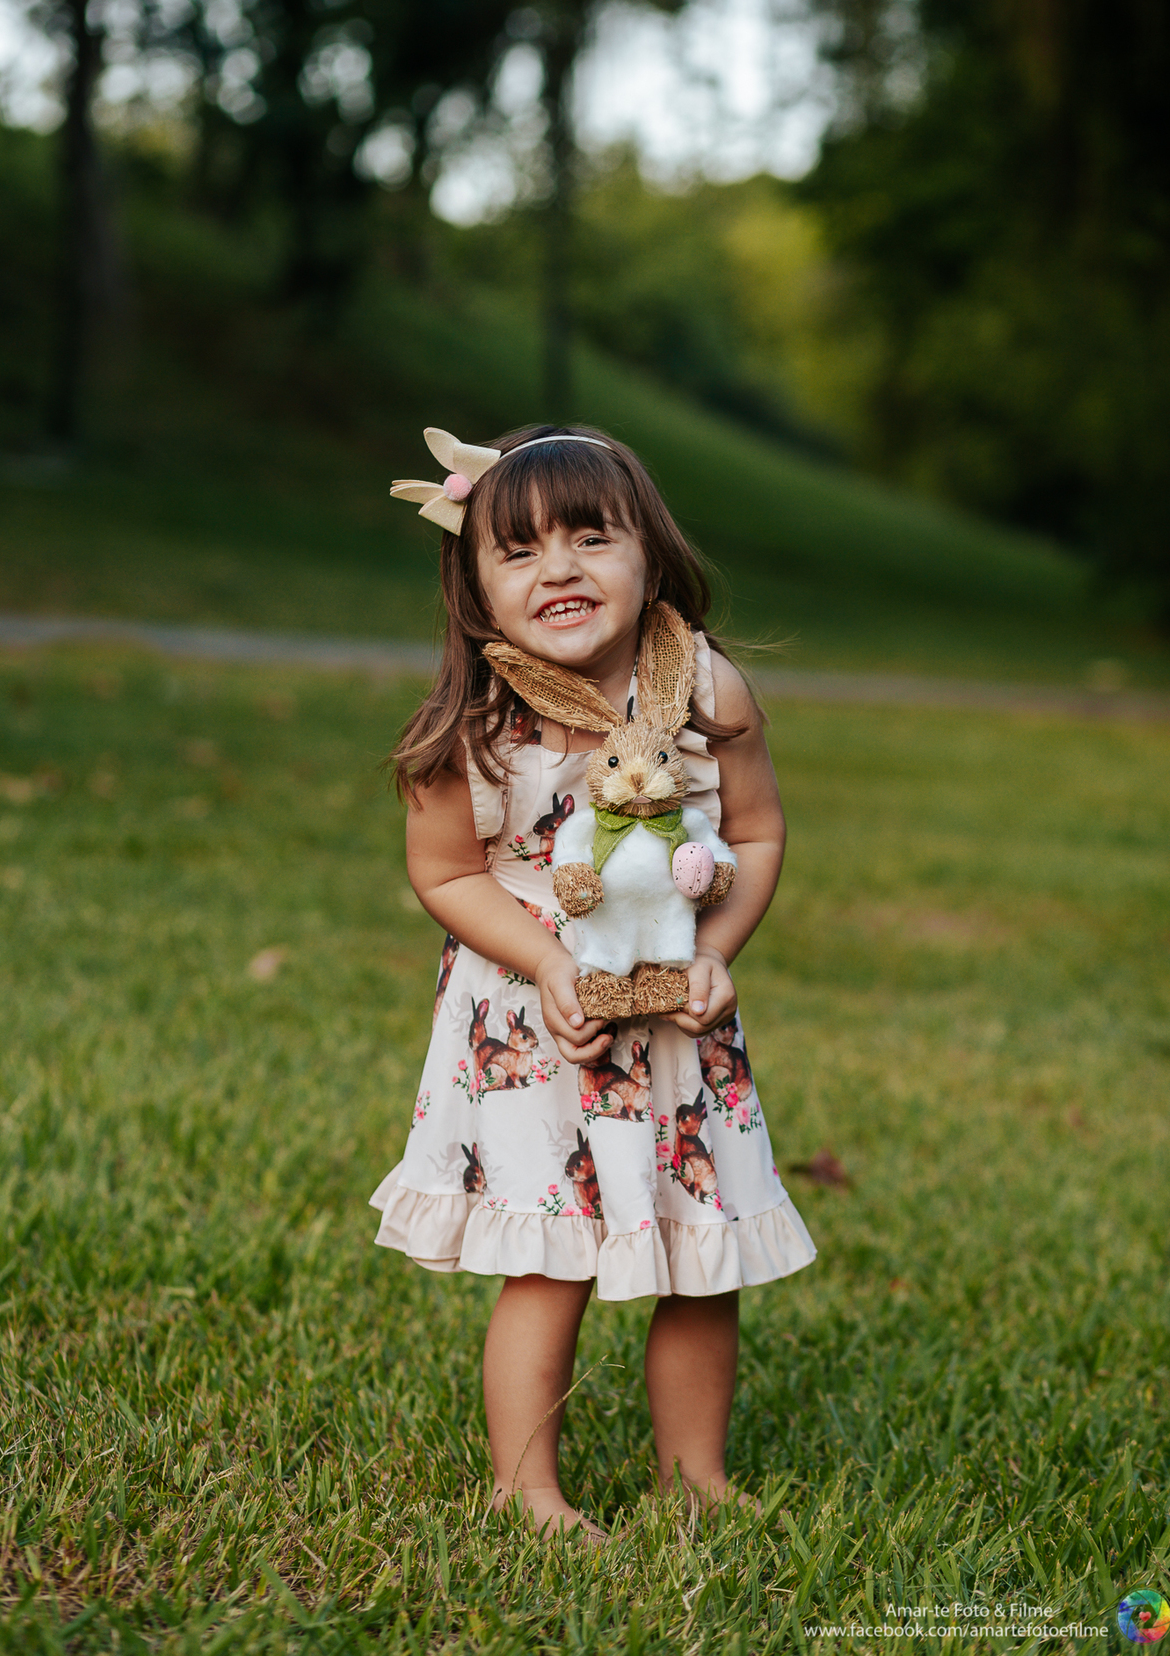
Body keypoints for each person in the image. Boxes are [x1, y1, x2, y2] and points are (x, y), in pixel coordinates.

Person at [370, 423, 815, 1538]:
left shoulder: (707, 691)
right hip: (537, 1022)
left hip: (677, 1018)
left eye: (587, 536)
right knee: (551, 1259)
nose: (557, 568)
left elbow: (755, 838)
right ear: (476, 591)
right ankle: (529, 1494)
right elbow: (445, 872)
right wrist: (546, 960)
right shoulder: (474, 725)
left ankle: (693, 1477)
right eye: (517, 551)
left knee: (700, 1257)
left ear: (648, 555)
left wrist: (718, 954)